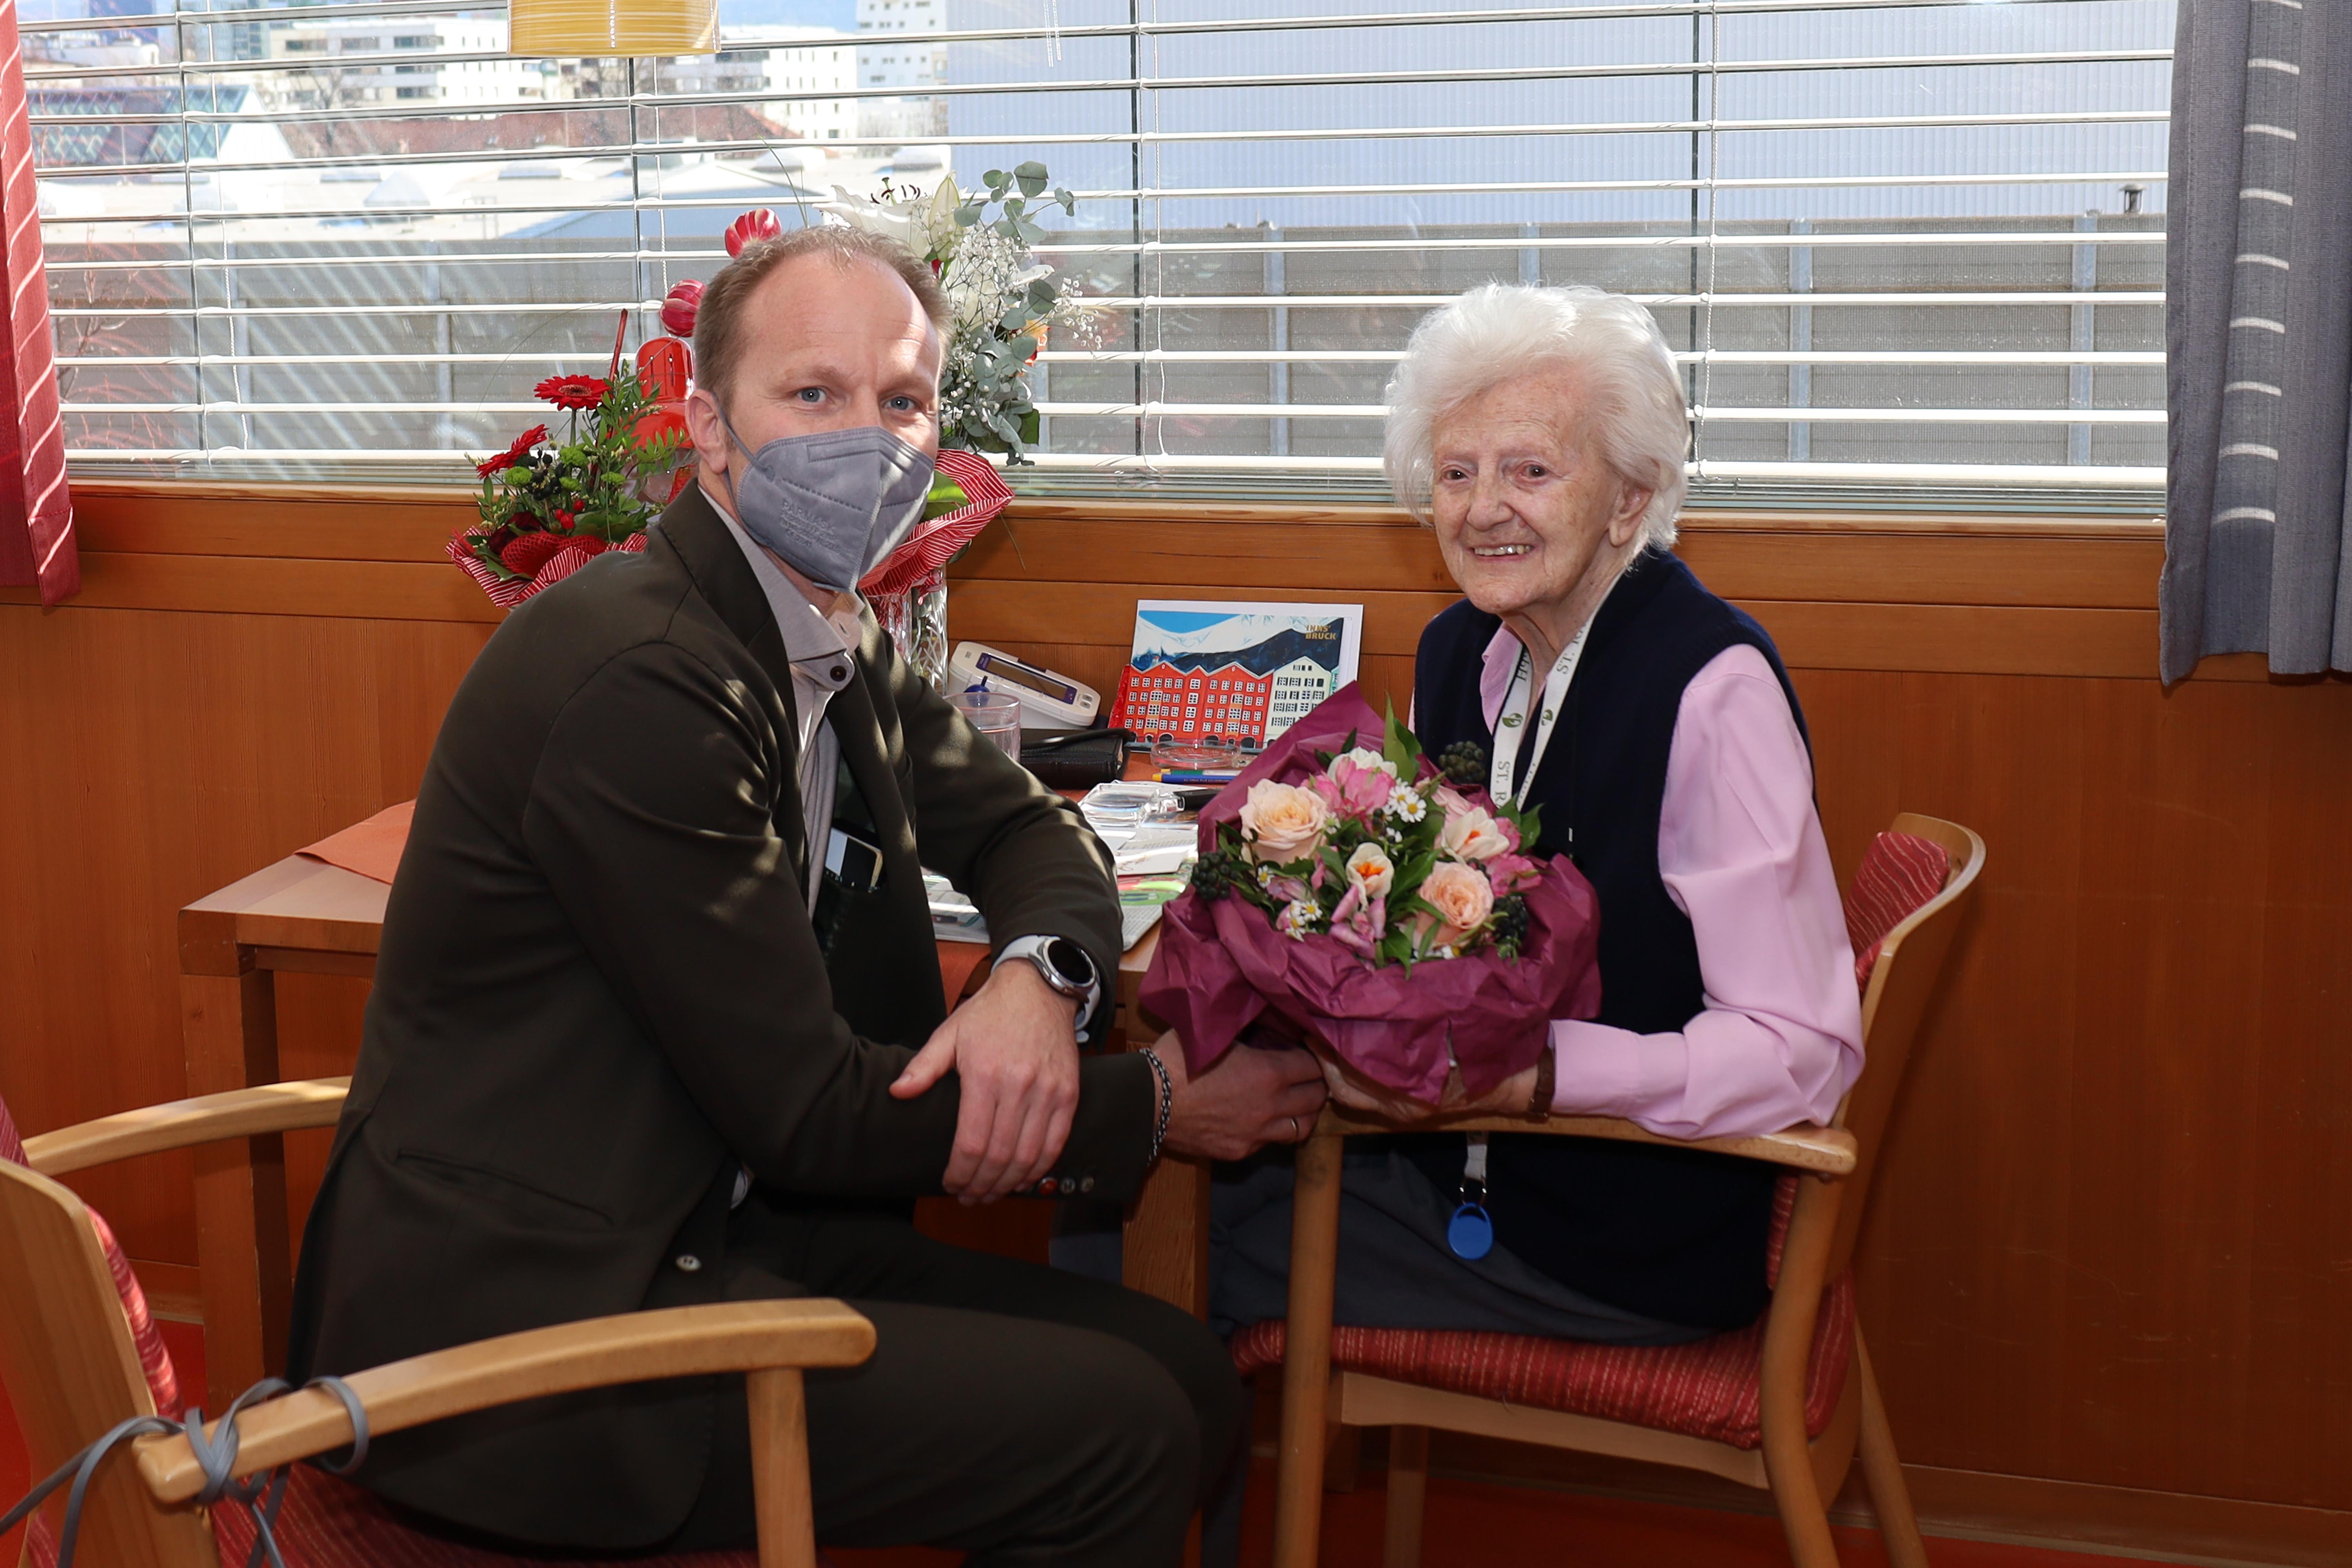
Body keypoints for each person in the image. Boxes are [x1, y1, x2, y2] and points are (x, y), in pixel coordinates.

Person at [287, 225, 1327, 1568]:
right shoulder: (646, 677)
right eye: (815, 395)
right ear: (709, 427)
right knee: (1119, 1430)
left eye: (902, 402)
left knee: (1184, 1379)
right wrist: (1163, 1108)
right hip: (548, 1329)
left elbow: (1032, 836)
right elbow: (806, 1113)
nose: (870, 440)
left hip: (725, 1233)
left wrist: (1038, 982)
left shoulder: (823, 628)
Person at [1211, 282, 1864, 1348]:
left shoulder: (1711, 688)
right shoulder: (1458, 655)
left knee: (1152, 1241)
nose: (1481, 508)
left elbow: (1801, 1053)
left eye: (1531, 470)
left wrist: (1543, 1079)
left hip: (1620, 1229)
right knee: (1163, 1179)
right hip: (1457, 1170)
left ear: (1627, 499)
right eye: (1457, 474)